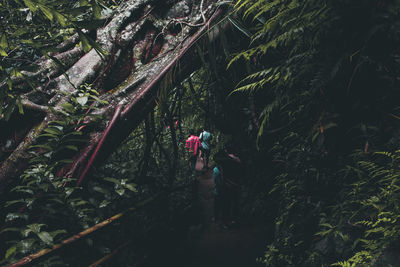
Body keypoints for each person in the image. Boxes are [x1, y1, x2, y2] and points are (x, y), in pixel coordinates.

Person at [212, 150, 228, 229]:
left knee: (217, 205)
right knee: (225, 207)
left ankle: (216, 218)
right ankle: (224, 222)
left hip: (218, 190)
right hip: (226, 190)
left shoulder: (216, 170)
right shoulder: (227, 168)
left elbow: (216, 181)